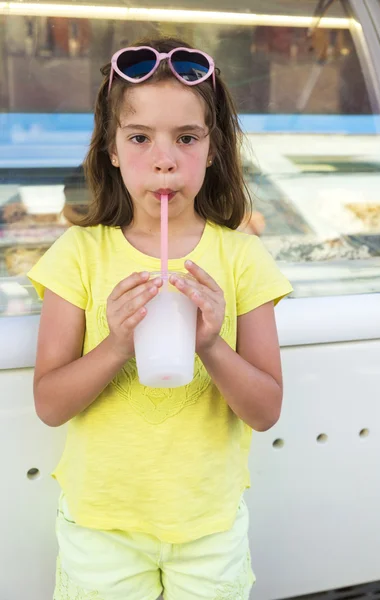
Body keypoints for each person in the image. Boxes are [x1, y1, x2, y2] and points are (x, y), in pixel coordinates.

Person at [27, 36, 293, 600]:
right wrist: (117, 344)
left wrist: (213, 345)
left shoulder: (243, 258)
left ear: (214, 149)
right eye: (140, 137)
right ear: (113, 149)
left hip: (207, 523)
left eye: (187, 138)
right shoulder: (80, 254)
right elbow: (50, 405)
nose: (165, 158)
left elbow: (266, 410)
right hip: (103, 523)